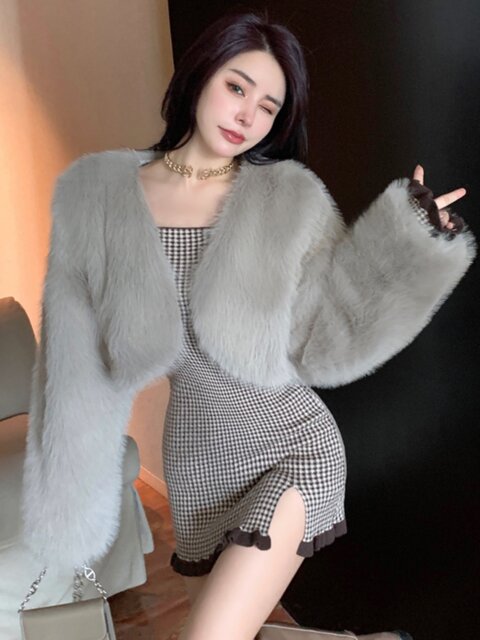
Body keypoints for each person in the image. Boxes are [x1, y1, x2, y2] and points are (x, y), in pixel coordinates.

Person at [20, 10, 475, 640]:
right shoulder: (96, 196)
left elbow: (330, 331)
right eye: (237, 87)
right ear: (201, 75)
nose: (247, 115)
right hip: (196, 460)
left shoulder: (287, 198)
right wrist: (66, 507)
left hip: (291, 442)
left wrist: (409, 241)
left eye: (268, 106)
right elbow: (71, 360)